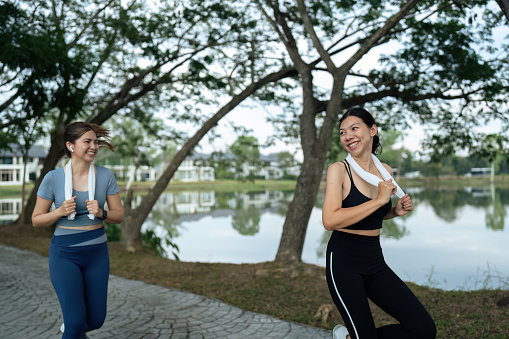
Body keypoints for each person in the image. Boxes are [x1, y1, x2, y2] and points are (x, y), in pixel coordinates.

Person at [322, 108, 436, 339]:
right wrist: (379, 200)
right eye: (343, 132)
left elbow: (371, 214)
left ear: (372, 130)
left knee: (423, 329)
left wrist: (393, 211)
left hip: (374, 261)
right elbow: (330, 220)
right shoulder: (339, 170)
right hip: (343, 261)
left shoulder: (385, 171)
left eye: (355, 128)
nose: (348, 136)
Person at [32, 122, 124, 339]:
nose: (94, 146)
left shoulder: (105, 175)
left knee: (95, 320)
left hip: (97, 254)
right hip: (65, 255)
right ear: (71, 146)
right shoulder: (53, 178)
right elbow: (36, 220)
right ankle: (72, 330)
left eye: (96, 142)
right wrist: (59, 212)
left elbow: (119, 215)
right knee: (74, 323)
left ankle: (73, 331)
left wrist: (102, 213)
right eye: (87, 142)